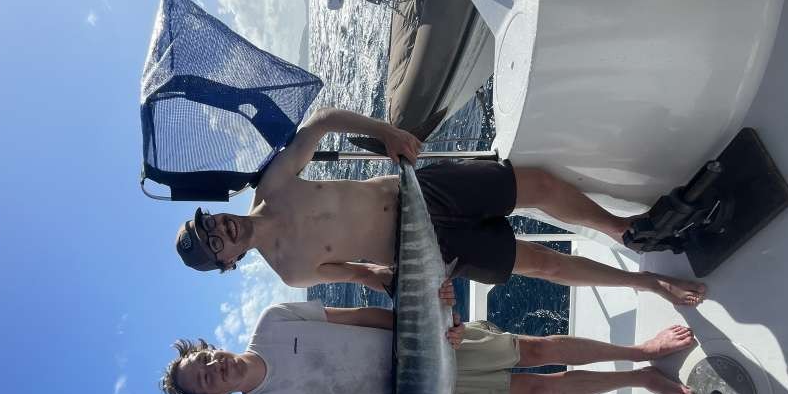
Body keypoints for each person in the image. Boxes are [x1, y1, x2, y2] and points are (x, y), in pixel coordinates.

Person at [173, 107, 706, 306]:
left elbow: (322, 123)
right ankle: (645, 283)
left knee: (538, 185)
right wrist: (410, 288)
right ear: (227, 263)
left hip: (422, 191)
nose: (220, 228)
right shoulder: (291, 271)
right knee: (542, 264)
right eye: (213, 242)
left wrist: (385, 133)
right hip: (424, 247)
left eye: (208, 222)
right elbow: (364, 275)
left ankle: (621, 229)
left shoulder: (273, 183)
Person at [159, 291, 697, 394]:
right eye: (203, 379)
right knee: (538, 392)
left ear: (210, 347)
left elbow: (361, 315)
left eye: (203, 359)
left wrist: (429, 324)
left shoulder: (274, 318)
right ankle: (641, 380)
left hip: (433, 345)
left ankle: (641, 352)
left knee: (535, 349)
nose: (212, 368)